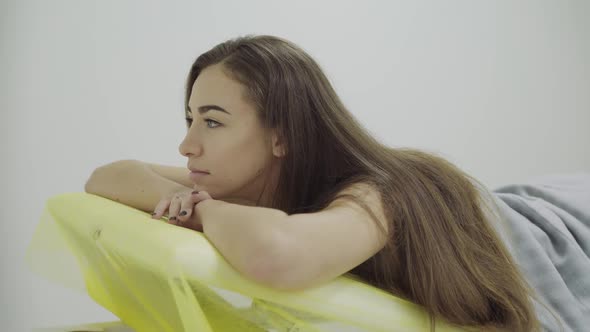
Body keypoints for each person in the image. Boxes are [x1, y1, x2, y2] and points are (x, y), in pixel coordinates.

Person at [85, 35, 555, 331]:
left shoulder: (384, 191)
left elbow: (280, 256)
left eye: (212, 122)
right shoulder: (236, 177)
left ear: (281, 136)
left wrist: (201, 210)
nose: (186, 145)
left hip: (554, 230)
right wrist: (178, 198)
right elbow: (108, 176)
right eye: (191, 118)